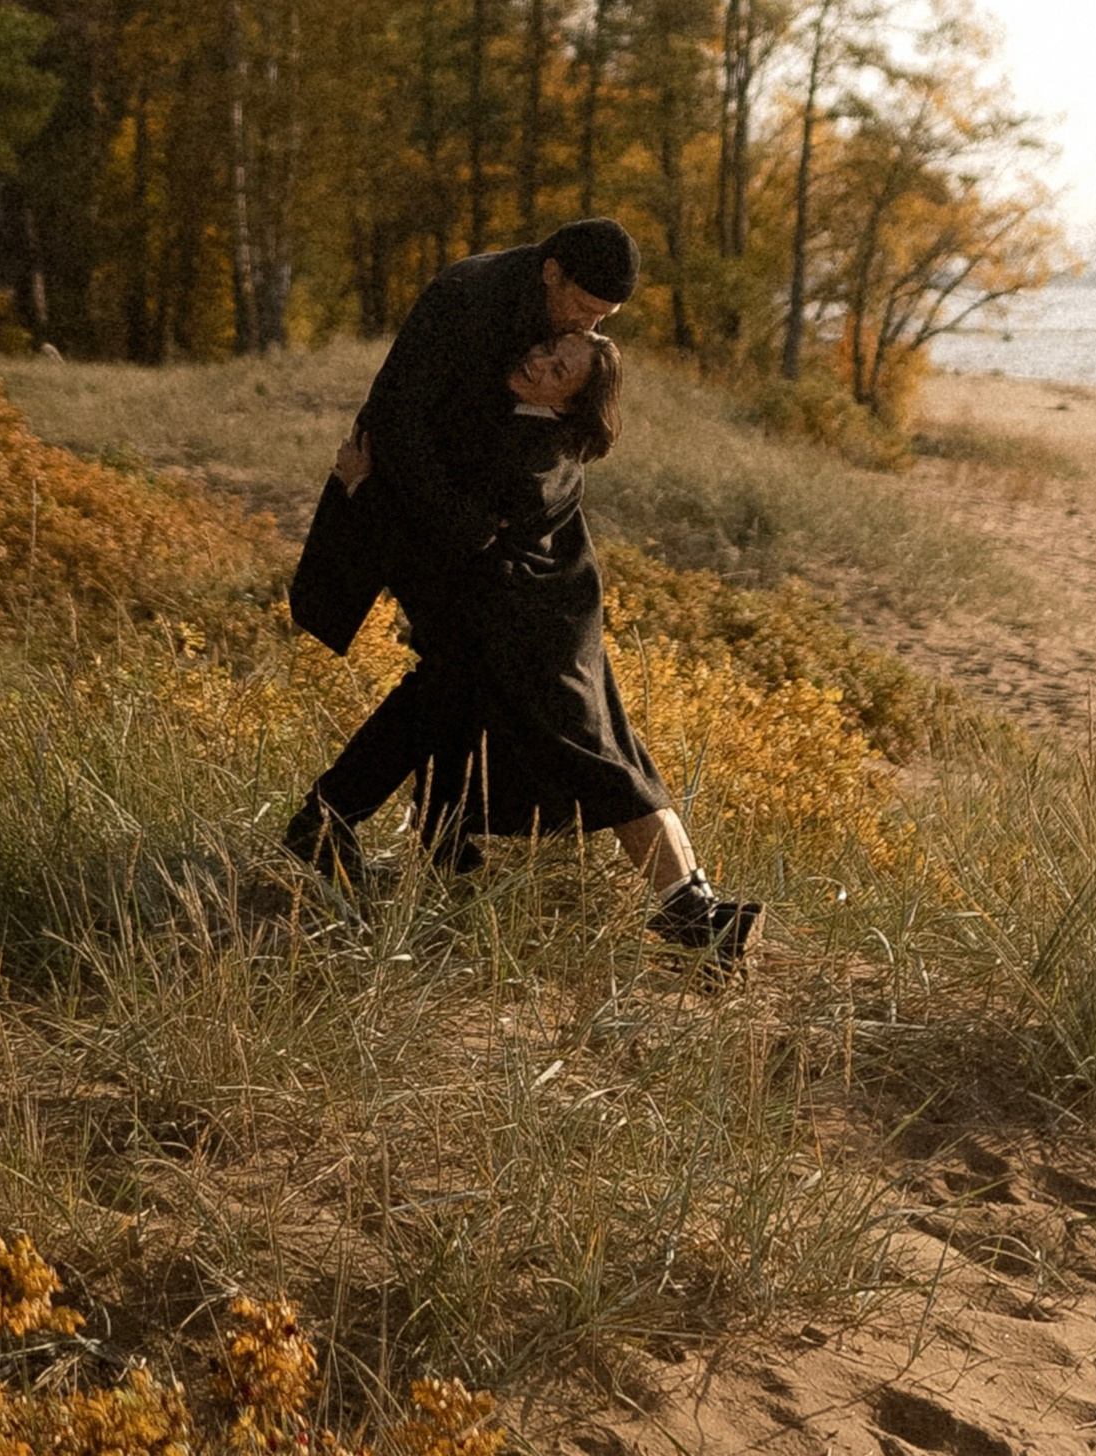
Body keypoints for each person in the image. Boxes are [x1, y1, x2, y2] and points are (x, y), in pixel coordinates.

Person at [283, 217, 762, 965]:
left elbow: (523, 483)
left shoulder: (544, 438)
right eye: (582, 311)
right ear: (552, 273)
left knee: (471, 695)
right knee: (477, 696)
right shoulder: (467, 300)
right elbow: (400, 423)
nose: (583, 330)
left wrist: (406, 509)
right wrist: (380, 500)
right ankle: (369, 842)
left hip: (522, 574)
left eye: (601, 324)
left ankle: (357, 838)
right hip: (449, 535)